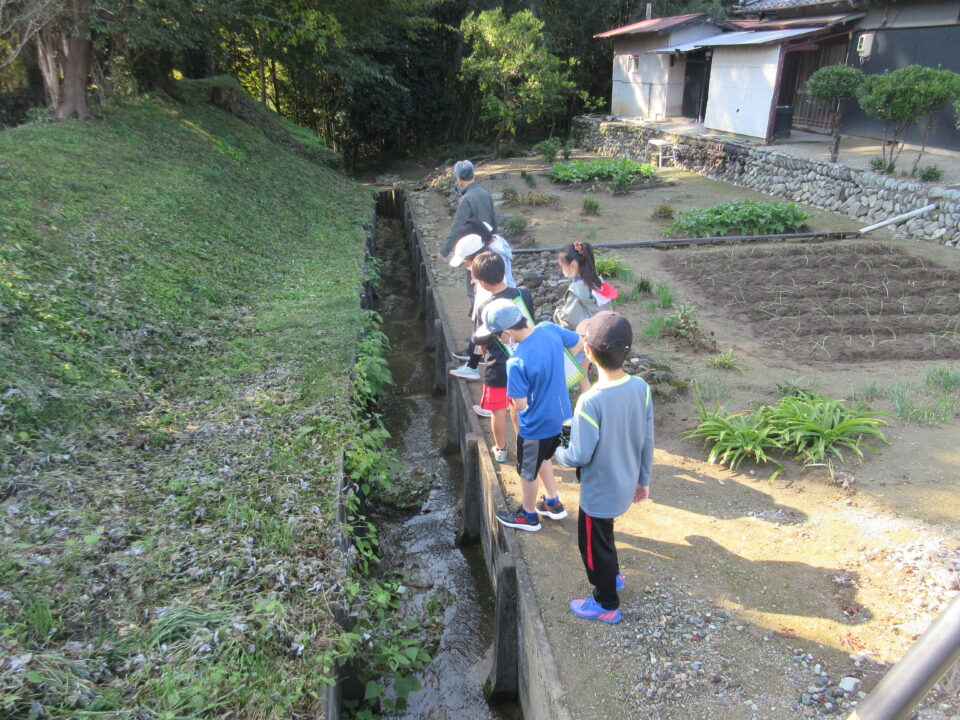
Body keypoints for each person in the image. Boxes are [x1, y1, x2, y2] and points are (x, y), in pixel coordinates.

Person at [553, 311, 654, 624]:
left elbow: (579, 455)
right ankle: (614, 576)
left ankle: (606, 601)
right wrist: (643, 480)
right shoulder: (640, 387)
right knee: (604, 534)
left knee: (592, 547)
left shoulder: (590, 401)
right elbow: (648, 438)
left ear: (588, 351)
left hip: (598, 491)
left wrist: (558, 452)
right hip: (626, 481)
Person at [478, 298, 584, 532]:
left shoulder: (517, 361)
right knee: (544, 458)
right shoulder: (548, 328)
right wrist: (557, 369)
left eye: (496, 335)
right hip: (562, 417)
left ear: (507, 332)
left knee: (527, 471)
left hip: (536, 426)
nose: (498, 340)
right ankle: (552, 502)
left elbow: (521, 404)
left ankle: (528, 515)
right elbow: (578, 341)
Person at [468, 251, 534, 462]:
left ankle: (501, 449)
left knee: (497, 410)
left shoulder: (485, 306)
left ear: (481, 281)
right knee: (518, 406)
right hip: (523, 362)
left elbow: (481, 340)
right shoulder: (523, 295)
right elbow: (530, 323)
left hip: (497, 365)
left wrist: (487, 357)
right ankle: (523, 446)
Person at [448, 221, 515, 380]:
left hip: (496, 306)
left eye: (466, 262)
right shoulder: (494, 249)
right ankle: (473, 364)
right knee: (484, 332)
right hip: (499, 301)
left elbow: (490, 294)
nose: (466, 265)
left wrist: (479, 314)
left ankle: (475, 367)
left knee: (488, 336)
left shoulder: (489, 268)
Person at [553, 241, 613, 393]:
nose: (562, 271)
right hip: (598, 335)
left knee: (562, 371)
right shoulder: (598, 282)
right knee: (584, 370)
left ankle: (568, 399)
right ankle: (591, 399)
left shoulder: (576, 290)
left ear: (573, 264)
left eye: (563, 267)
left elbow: (568, 320)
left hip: (580, 339)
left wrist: (558, 311)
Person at [437, 160, 498, 306]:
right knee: (489, 283)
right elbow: (494, 221)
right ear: (473, 174)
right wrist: (494, 239)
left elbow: (457, 227)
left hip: (473, 249)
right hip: (489, 245)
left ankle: (477, 314)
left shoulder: (467, 199)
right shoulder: (485, 194)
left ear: (458, 178)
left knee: (473, 286)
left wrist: (444, 251)